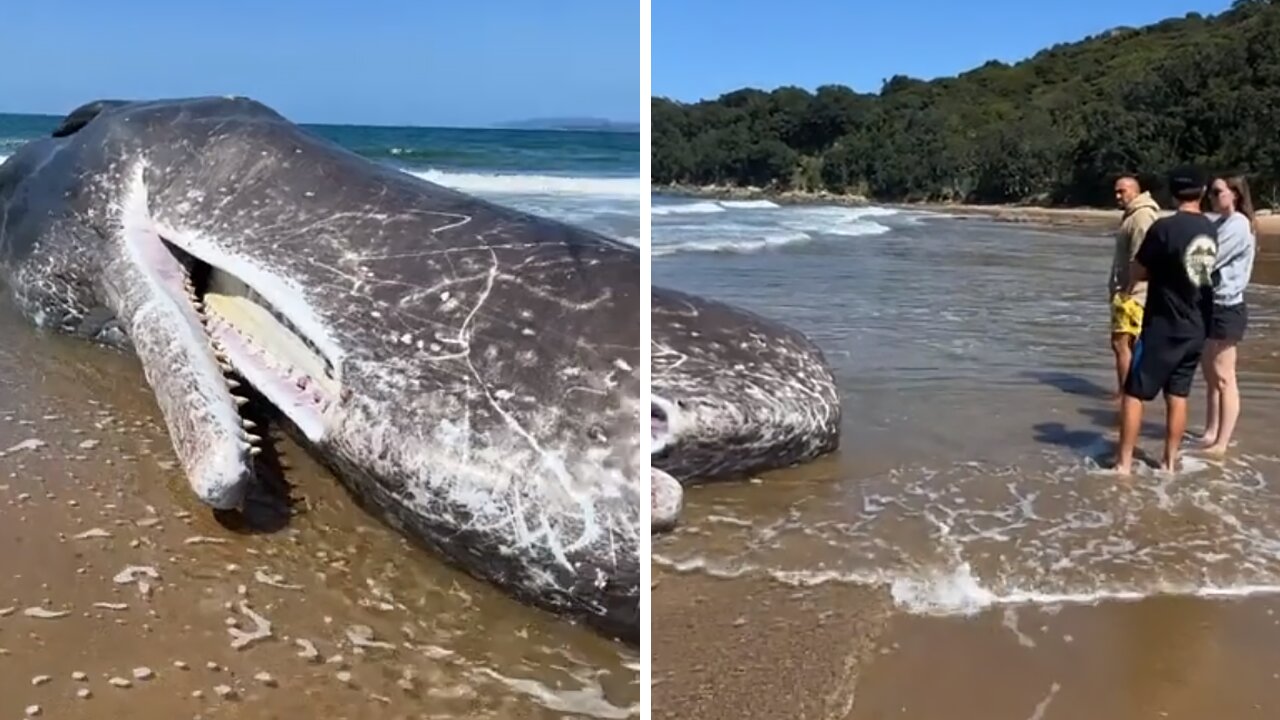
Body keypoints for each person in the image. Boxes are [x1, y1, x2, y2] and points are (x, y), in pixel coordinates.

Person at [1115, 166, 1219, 475]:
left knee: (1134, 393)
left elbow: (1138, 272)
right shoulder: (1210, 230)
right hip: (1197, 325)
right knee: (1178, 395)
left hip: (1162, 324)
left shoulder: (1163, 228)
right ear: (1201, 193)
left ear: (1172, 194)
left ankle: (1123, 464)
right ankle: (1170, 462)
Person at [1197, 174, 1257, 456]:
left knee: (1224, 377)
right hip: (1211, 304)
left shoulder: (1239, 225)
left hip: (1227, 306)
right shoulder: (1219, 223)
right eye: (1210, 193)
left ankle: (1221, 443)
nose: (1212, 196)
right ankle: (1211, 431)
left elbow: (1209, 259)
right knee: (1210, 374)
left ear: (1235, 194)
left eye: (1218, 192)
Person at [1109, 176, 1161, 399]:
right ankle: (1128, 392)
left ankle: (1126, 395)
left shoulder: (1141, 217)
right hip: (1132, 292)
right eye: (1116, 192)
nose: (1118, 196)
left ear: (1135, 191)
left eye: (1122, 191)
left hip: (1134, 294)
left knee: (1122, 344)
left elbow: (1140, 258)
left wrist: (1127, 290)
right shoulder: (1133, 215)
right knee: (1123, 345)